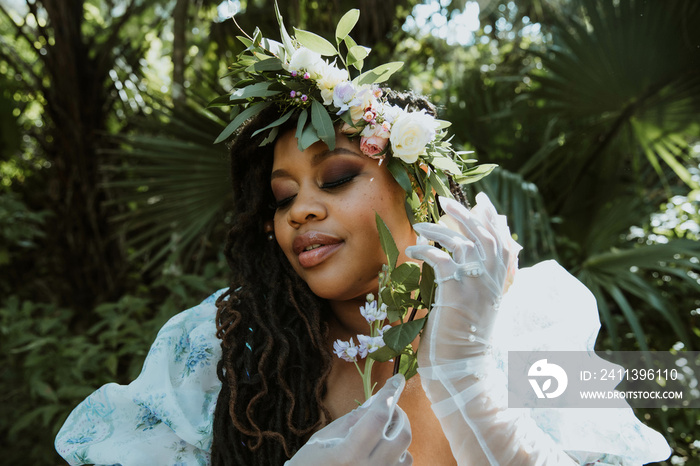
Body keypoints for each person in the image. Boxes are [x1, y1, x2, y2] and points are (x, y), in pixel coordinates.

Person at [55, 8, 672, 466]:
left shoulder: (534, 318)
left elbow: (669, 382)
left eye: (338, 177)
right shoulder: (225, 346)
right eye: (283, 198)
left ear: (418, 184)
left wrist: (466, 372)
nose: (301, 212)